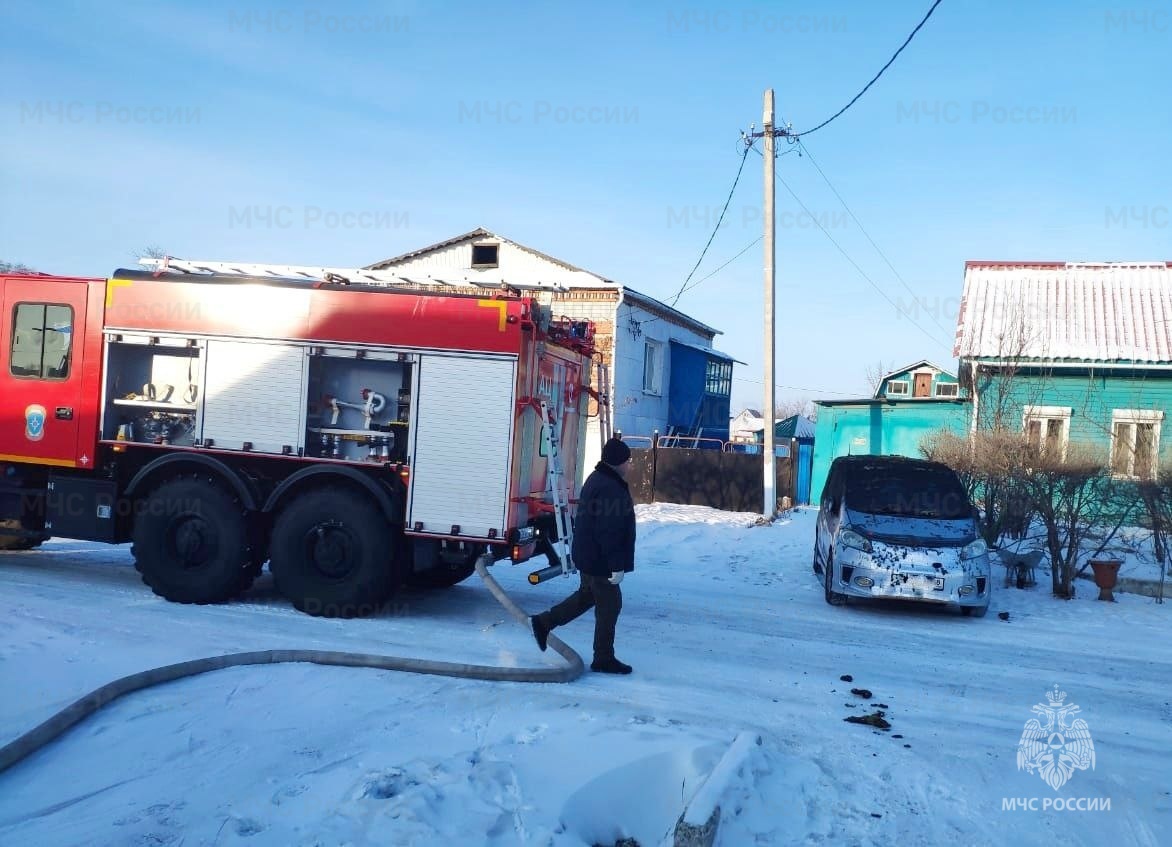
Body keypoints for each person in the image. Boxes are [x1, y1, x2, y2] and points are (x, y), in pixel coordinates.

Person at [531, 437, 636, 674]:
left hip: (590, 555)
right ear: (618, 462)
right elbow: (609, 531)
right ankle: (603, 658)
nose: (629, 466)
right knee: (610, 604)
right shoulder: (610, 486)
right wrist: (616, 566)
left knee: (587, 597)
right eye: (627, 461)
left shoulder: (600, 479)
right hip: (600, 559)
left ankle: (543, 622)